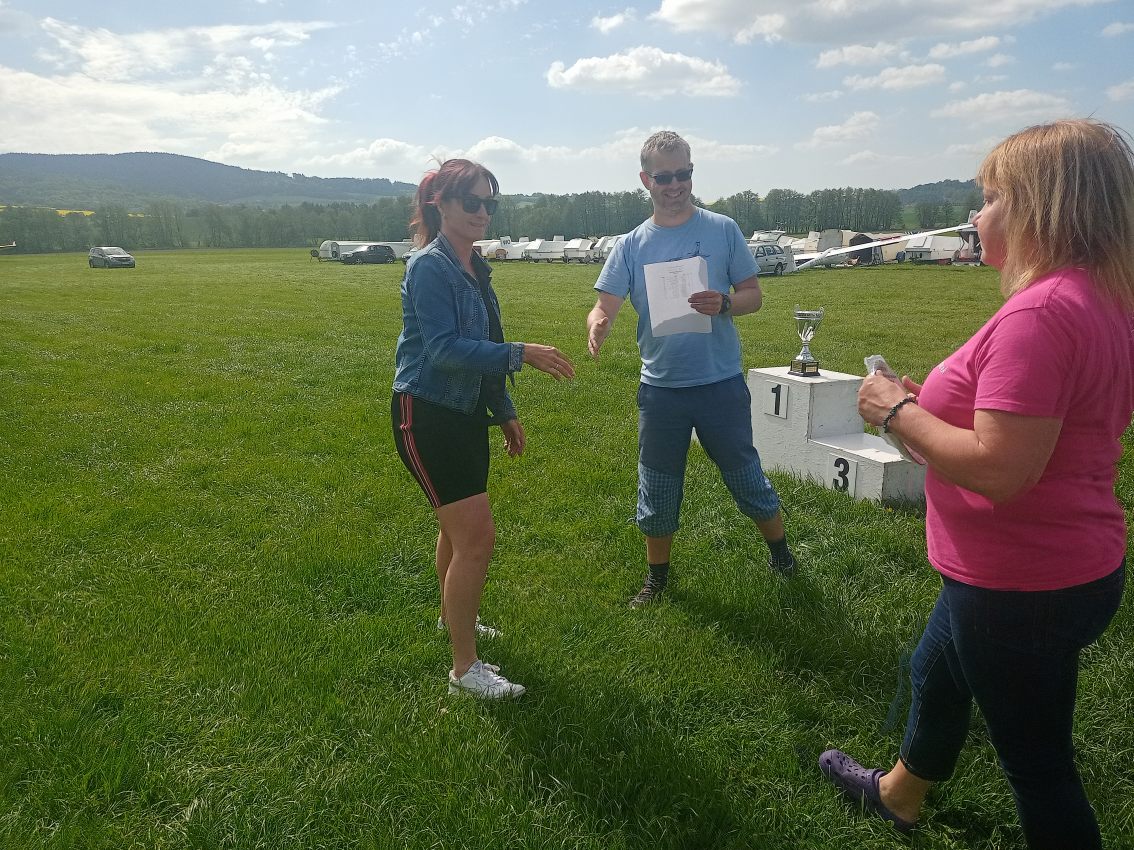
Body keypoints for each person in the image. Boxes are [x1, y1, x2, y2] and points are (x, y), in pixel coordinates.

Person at [819, 119, 1134, 849]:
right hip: (1063, 565)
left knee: (1039, 768)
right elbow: (1052, 423)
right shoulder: (1101, 296)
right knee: (934, 670)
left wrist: (894, 410)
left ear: (1041, 207)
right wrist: (930, 406)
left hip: (1019, 584)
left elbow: (1000, 469)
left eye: (990, 197)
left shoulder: (1042, 313)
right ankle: (898, 795)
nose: (975, 214)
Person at [586, 130, 796, 608]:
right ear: (646, 180)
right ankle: (656, 580)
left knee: (745, 475)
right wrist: (598, 323)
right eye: (664, 177)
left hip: (720, 383)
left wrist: (725, 302)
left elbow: (753, 296)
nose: (675, 185)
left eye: (684, 174)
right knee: (657, 484)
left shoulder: (723, 229)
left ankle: (782, 555)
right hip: (661, 390)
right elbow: (604, 305)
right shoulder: (631, 245)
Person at [392, 159, 575, 699]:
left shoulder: (475, 265)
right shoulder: (430, 266)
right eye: (471, 202)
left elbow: (486, 339)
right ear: (441, 204)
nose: (482, 212)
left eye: (489, 203)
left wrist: (504, 411)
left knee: (458, 532)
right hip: (427, 413)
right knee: (476, 537)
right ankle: (464, 671)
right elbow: (445, 350)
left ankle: (454, 620)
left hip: (465, 411)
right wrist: (523, 353)